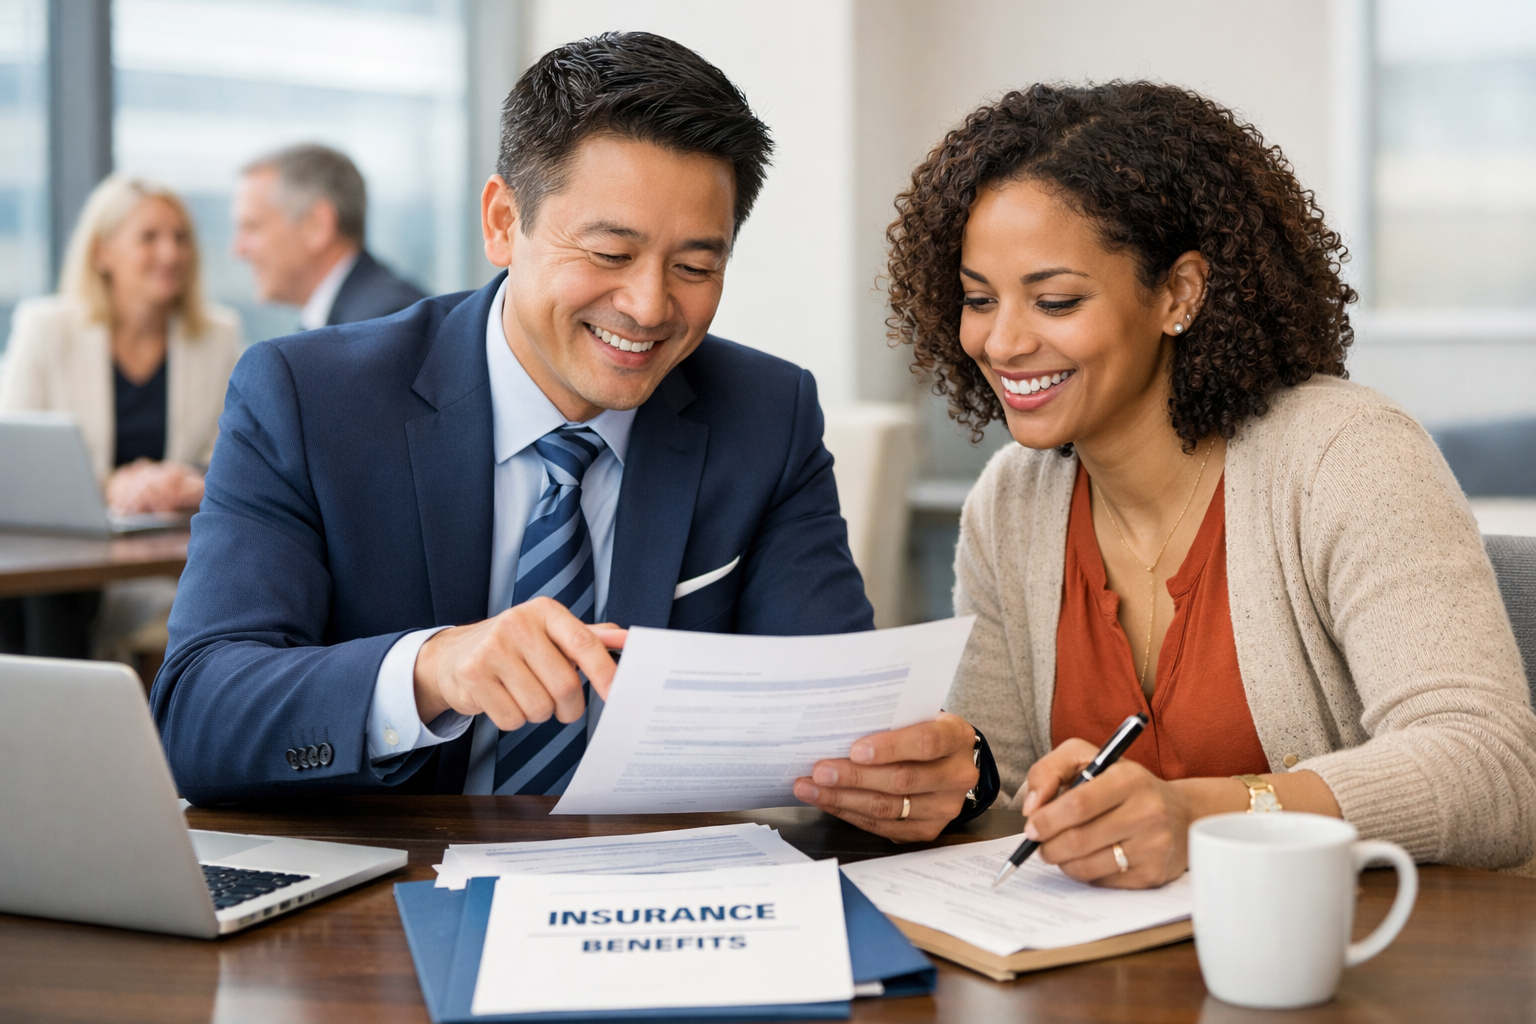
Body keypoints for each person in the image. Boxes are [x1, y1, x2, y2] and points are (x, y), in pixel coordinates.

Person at [153, 32, 996, 835]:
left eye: (696, 267)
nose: (649, 306)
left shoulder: (763, 416)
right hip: (385, 901)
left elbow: (839, 716)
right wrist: (430, 669)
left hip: (663, 899)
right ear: (501, 222)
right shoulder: (309, 397)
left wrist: (936, 774)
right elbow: (199, 716)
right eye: (608, 252)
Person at [866, 81, 1536, 885]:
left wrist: (1213, 816)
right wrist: (952, 779)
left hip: (1350, 968)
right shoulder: (1011, 503)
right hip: (1114, 978)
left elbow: (1491, 771)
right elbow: (1008, 788)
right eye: (978, 299)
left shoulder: (1345, 458)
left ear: (1179, 293)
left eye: (1055, 299)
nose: (1002, 340)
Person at [0, 175, 242, 658]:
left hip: (163, 560)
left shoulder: (217, 335)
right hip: (64, 555)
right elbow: (15, 459)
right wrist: (109, 486)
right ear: (102, 253)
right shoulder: (45, 328)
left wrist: (185, 480)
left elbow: (236, 452)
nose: (170, 253)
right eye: (149, 237)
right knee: (42, 597)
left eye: (180, 237)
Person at [232, 143, 426, 329]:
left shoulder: (386, 326)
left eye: (252, 227)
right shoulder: (355, 319)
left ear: (316, 226)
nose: (238, 251)